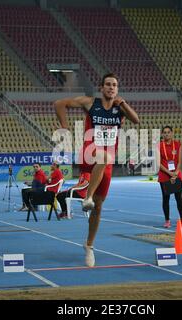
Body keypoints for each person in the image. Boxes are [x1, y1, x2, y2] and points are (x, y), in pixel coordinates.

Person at [54, 73, 139, 267]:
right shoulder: (90, 103)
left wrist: (123, 104)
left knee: (99, 207)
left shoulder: (120, 108)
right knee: (103, 156)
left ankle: (89, 246)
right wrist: (65, 127)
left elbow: (136, 120)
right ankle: (87, 197)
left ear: (117, 89)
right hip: (89, 154)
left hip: (106, 162)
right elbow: (59, 103)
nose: (111, 88)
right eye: (108, 84)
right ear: (101, 87)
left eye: (114, 85)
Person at [156, 126, 182, 228]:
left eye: (168, 132)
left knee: (179, 198)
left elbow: (180, 161)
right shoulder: (159, 146)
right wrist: (169, 173)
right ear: (162, 134)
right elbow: (158, 163)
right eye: (165, 132)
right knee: (166, 198)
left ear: (172, 133)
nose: (167, 134)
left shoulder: (178, 145)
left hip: (176, 174)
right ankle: (167, 220)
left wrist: (176, 173)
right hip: (164, 175)